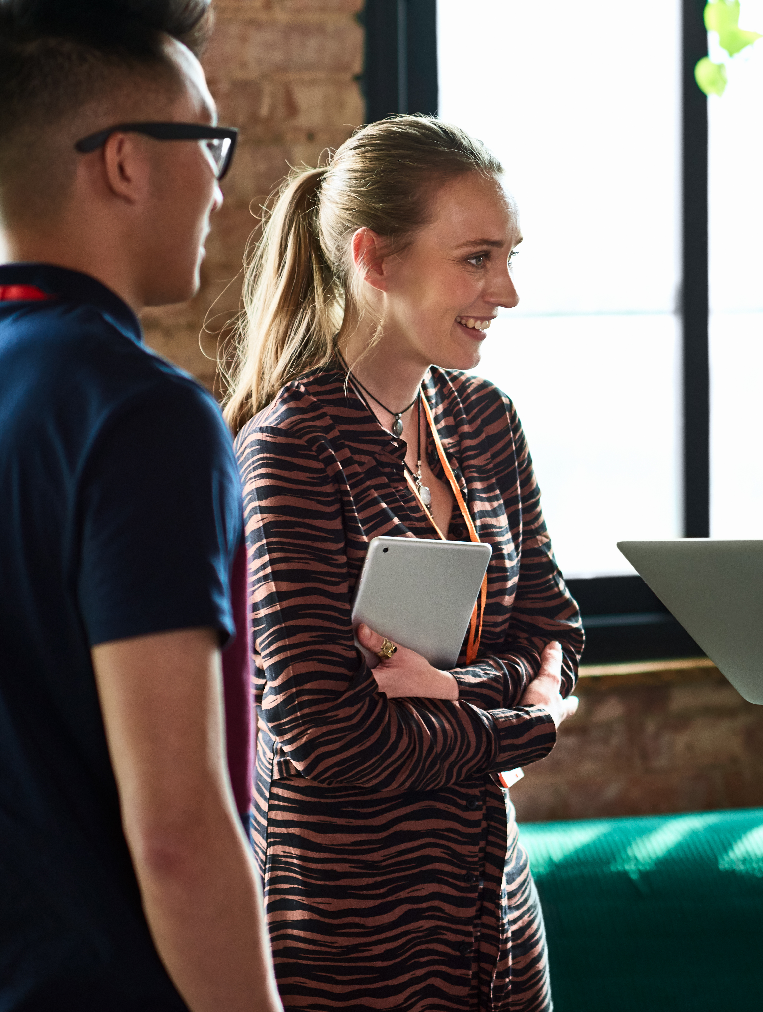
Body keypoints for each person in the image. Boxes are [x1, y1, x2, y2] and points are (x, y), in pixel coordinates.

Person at [0, 1, 281, 1009]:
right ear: (125, 162)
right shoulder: (145, 418)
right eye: (207, 140)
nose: (222, 190)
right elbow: (179, 834)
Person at [225, 115, 582, 1012]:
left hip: (495, 924)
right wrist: (521, 725)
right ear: (375, 260)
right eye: (476, 258)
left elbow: (557, 636)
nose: (506, 290)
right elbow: (325, 736)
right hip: (349, 945)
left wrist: (453, 689)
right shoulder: (290, 454)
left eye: (509, 255)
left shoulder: (487, 422)